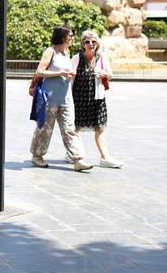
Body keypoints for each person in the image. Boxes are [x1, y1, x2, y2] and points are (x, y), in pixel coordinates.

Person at [29, 26, 93, 171]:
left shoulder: (66, 53)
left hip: (66, 98)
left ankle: (78, 159)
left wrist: (70, 73)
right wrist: (60, 73)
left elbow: (65, 72)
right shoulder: (50, 51)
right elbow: (40, 71)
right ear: (62, 37)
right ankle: (37, 156)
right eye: (70, 35)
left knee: (70, 129)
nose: (72, 38)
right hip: (49, 97)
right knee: (45, 129)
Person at [71, 31, 122, 168]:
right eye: (87, 42)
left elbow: (110, 74)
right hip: (79, 99)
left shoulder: (102, 57)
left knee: (100, 128)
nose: (90, 44)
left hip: (98, 99)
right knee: (75, 128)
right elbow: (71, 78)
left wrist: (104, 73)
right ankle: (74, 154)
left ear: (97, 43)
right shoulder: (77, 58)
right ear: (83, 44)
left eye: (93, 41)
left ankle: (105, 158)